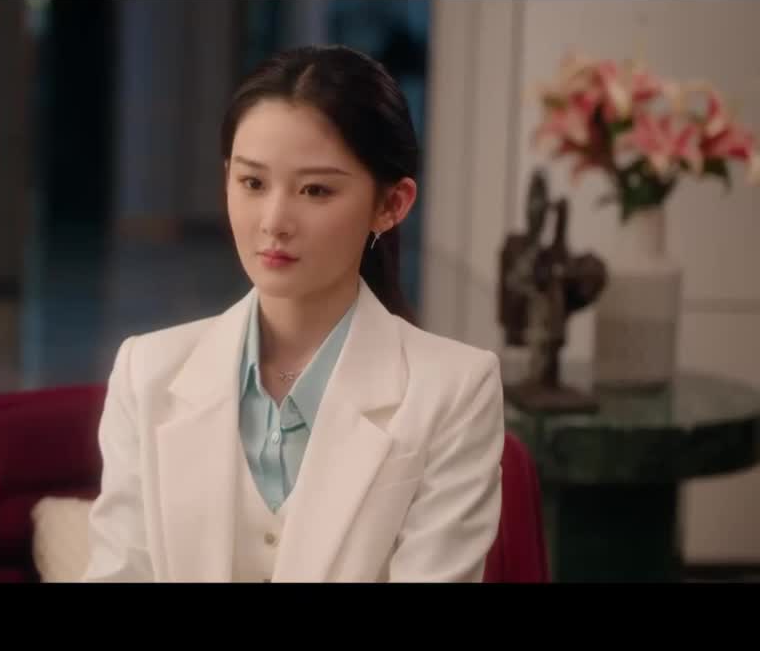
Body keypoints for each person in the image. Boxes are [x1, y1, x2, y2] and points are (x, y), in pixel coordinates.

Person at [81, 45, 505, 583]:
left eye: (315, 190)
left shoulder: (455, 391)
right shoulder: (147, 373)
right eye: (253, 183)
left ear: (391, 204)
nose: (274, 221)